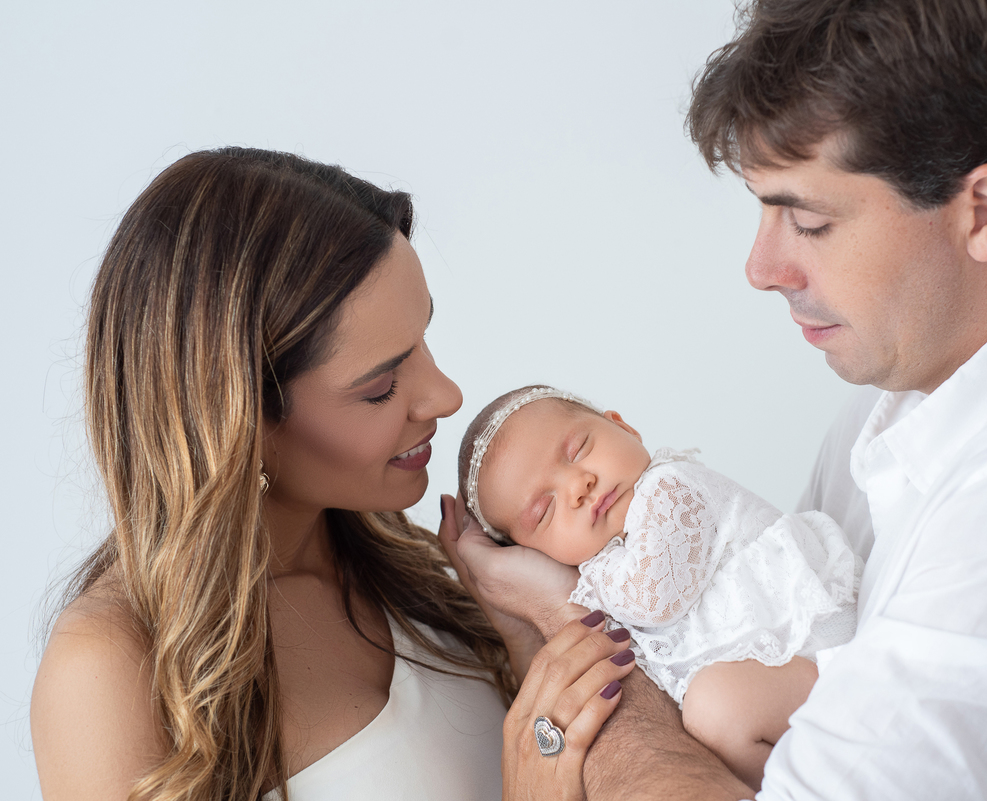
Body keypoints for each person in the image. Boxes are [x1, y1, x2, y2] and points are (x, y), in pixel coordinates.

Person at [442, 1, 987, 798]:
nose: (761, 268)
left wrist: (567, 626)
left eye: (807, 219)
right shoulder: (905, 393)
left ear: (982, 211)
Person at [29, 148, 636, 801]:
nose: (446, 396)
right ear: (238, 424)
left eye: (423, 338)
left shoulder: (411, 569)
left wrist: (527, 638)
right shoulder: (107, 671)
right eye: (380, 386)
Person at [456, 384, 860, 789]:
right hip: (775, 684)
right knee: (709, 724)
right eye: (545, 510)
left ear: (624, 427)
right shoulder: (614, 557)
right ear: (536, 551)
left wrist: (574, 583)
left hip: (812, 639)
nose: (579, 486)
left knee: (716, 710)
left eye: (579, 450)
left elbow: (652, 599)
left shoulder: (668, 489)